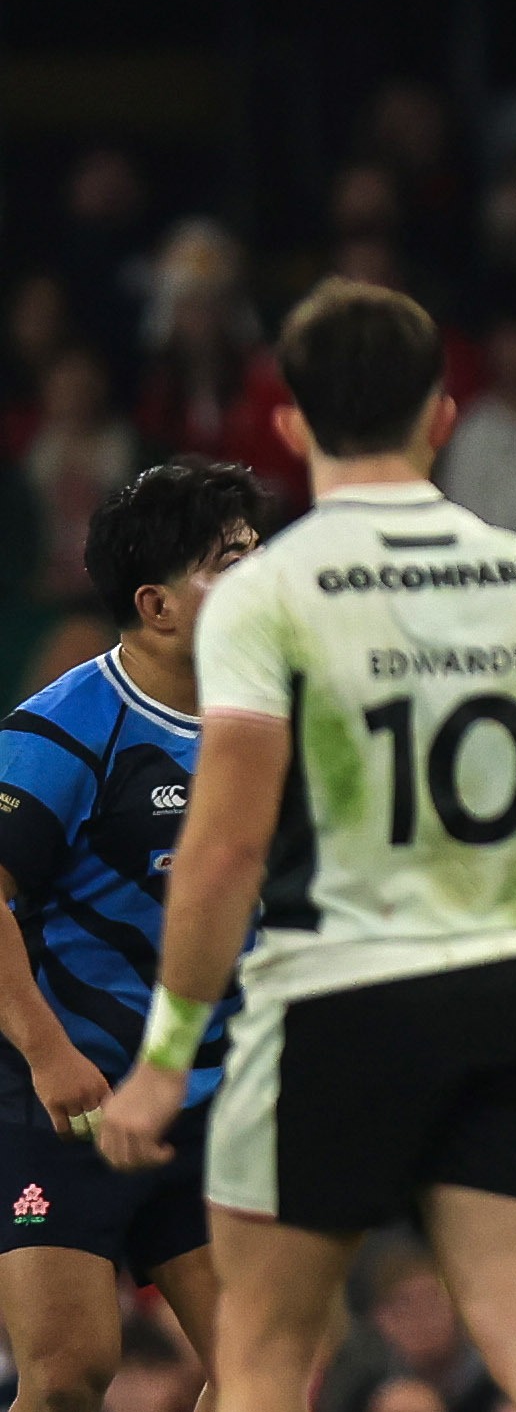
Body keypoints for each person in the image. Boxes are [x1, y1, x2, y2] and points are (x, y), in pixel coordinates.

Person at [88, 282, 516, 1412]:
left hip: (333, 1005)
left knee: (264, 1359)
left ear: (291, 423)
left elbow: (224, 852)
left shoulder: (270, 594)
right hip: (506, 996)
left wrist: (164, 1059)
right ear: (442, 415)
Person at [0, 463, 263, 1412]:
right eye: (229, 561)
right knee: (69, 1376)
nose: (260, 579)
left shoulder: (269, 728)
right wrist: (47, 1052)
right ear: (156, 605)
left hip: (206, 1101)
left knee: (263, 1378)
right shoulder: (63, 729)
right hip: (67, 1097)